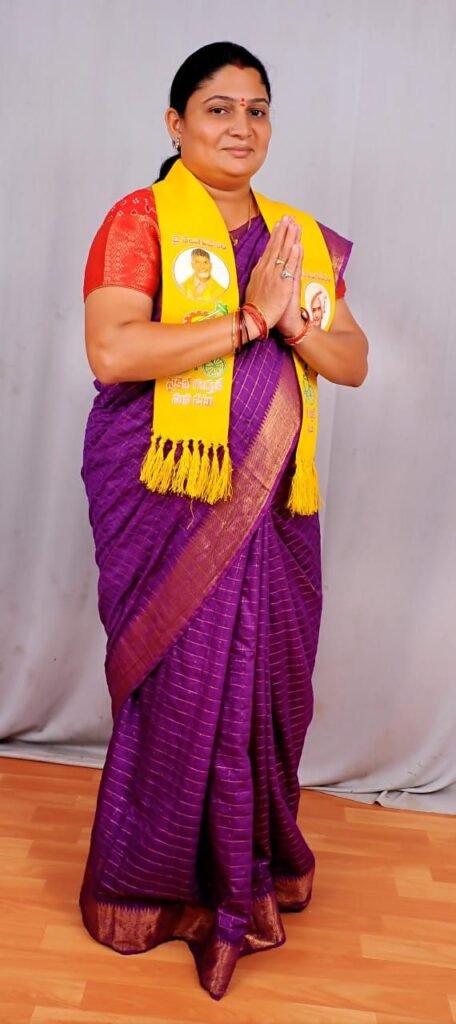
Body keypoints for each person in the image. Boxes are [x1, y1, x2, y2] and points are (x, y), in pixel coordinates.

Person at [79, 41, 368, 1002]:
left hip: (275, 509)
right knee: (181, 684)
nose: (241, 127)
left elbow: (352, 360)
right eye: (218, 108)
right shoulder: (141, 219)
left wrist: (292, 321)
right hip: (163, 496)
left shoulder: (296, 238)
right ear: (176, 124)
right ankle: (155, 885)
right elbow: (114, 350)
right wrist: (246, 319)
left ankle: (249, 874)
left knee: (268, 686)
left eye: (257, 109)